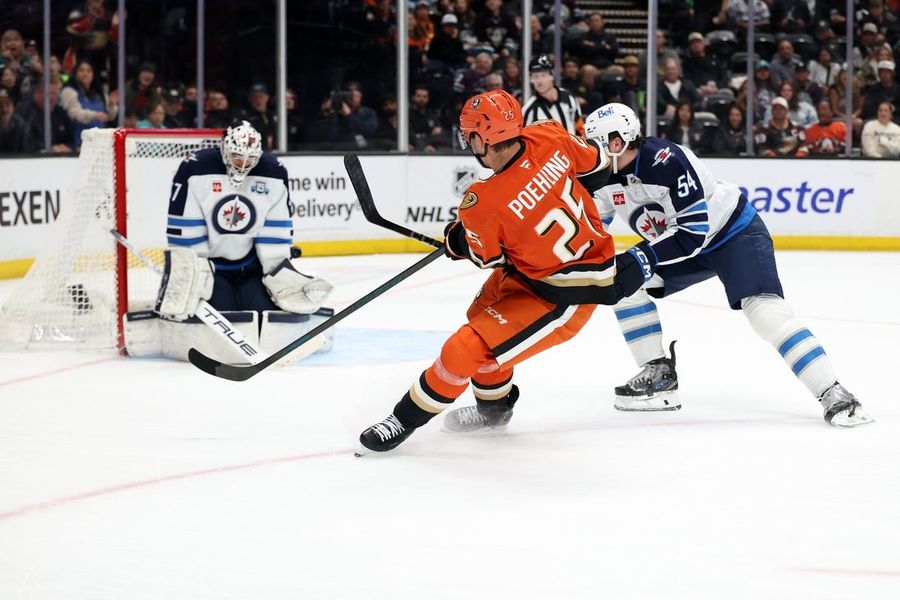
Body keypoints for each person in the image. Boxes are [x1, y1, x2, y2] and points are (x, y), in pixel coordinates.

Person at [356, 90, 659, 454]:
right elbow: (597, 165)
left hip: (565, 295)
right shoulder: (548, 134)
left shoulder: (481, 203)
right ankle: (494, 410)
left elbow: (485, 257)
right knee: (480, 319)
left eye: (469, 136)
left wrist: (457, 240)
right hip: (539, 271)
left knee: (464, 349)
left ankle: (402, 419)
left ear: (480, 139)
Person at [580, 102, 870, 427]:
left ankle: (833, 391)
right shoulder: (602, 179)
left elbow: (692, 232)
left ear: (617, 141)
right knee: (621, 283)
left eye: (595, 143)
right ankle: (659, 374)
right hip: (684, 247)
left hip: (733, 234)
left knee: (765, 313)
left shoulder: (666, 160)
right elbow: (591, 229)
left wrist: (643, 255)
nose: (589, 152)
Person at [154, 121, 333, 357]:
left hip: (251, 268)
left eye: (250, 159)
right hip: (212, 270)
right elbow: (186, 231)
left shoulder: (273, 172)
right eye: (237, 157)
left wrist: (279, 273)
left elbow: (275, 233)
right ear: (225, 149)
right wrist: (194, 276)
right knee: (223, 313)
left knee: (266, 314)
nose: (243, 164)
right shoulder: (195, 168)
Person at [520, 54, 584, 135]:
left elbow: (580, 129)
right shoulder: (528, 109)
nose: (539, 81)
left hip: (572, 142)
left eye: (543, 75)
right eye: (535, 77)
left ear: (552, 76)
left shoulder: (569, 97)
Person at [60, 59, 116, 148]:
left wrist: (113, 104)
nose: (85, 74)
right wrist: (95, 115)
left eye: (89, 71)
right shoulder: (69, 91)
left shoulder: (100, 93)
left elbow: (110, 116)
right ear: (75, 73)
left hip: (101, 144)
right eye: (81, 70)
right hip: (79, 144)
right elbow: (74, 114)